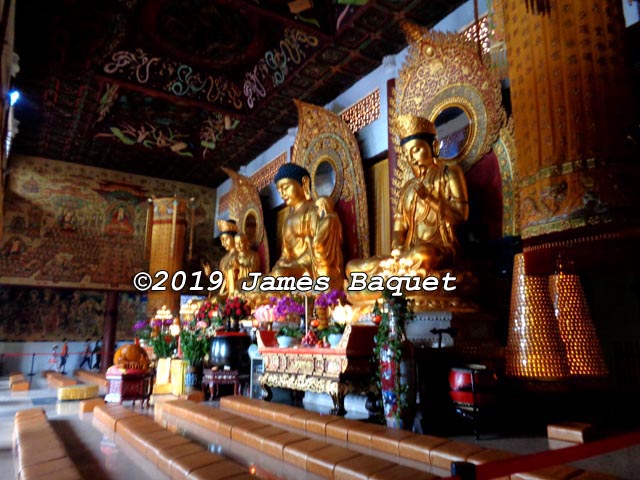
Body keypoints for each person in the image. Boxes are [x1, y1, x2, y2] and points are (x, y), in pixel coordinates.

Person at [346, 114, 469, 277]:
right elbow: (399, 228)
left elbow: (460, 216)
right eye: (405, 154)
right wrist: (398, 246)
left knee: (423, 254)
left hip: (440, 251)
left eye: (416, 150)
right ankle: (400, 273)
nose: (411, 158)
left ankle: (400, 274)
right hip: (408, 254)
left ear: (434, 146)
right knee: (353, 267)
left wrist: (429, 199)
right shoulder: (407, 188)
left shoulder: (449, 173)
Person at [270, 163, 343, 286]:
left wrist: (293, 264)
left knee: (280, 275)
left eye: (285, 187)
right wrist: (279, 265)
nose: (282, 194)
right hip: (292, 268)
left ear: (304, 183)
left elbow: (317, 247)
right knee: (265, 279)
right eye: (279, 190)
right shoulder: (287, 220)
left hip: (308, 268)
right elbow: (286, 254)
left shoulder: (313, 210)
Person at [313, 196, 344, 291]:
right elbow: (340, 239)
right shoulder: (335, 218)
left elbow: (317, 242)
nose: (317, 212)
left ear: (323, 206)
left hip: (327, 259)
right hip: (335, 257)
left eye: (317, 208)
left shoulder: (328, 219)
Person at [217, 219, 239, 296]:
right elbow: (222, 279)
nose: (223, 244)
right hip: (225, 291)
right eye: (221, 240)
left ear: (234, 238)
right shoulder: (224, 259)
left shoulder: (240, 256)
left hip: (237, 291)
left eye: (225, 239)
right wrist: (210, 274)